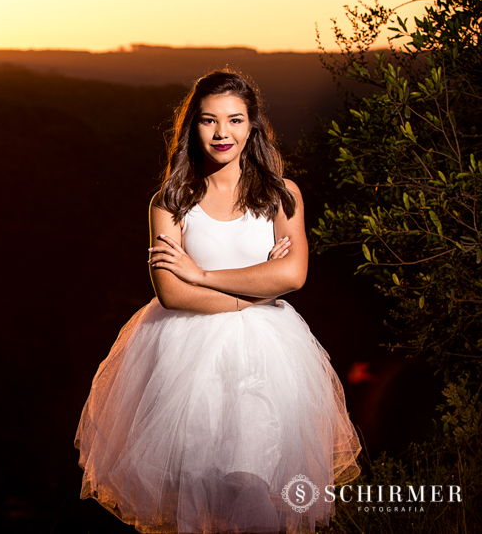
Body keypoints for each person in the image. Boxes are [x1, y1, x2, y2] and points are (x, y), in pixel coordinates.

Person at [75, 70, 361, 533]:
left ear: (252, 126)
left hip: (268, 359)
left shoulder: (281, 195)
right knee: (199, 493)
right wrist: (256, 292)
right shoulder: (170, 202)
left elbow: (293, 274)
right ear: (193, 127)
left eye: (234, 120)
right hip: (185, 358)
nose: (222, 132)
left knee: (254, 485)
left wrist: (202, 274)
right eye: (209, 120)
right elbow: (171, 292)